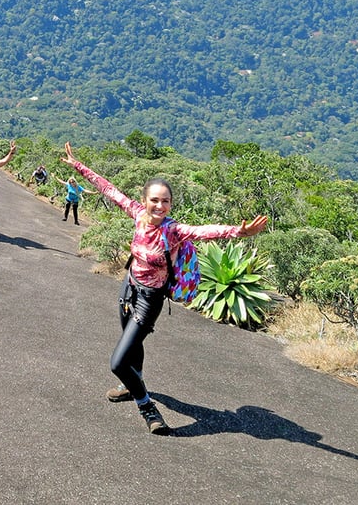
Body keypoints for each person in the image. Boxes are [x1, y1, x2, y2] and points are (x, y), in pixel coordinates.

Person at [60, 141, 268, 434]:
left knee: (118, 361)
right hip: (129, 287)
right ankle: (132, 383)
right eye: (154, 200)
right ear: (144, 201)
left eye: (165, 201)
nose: (160, 206)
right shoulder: (136, 213)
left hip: (150, 299)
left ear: (171, 204)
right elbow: (108, 189)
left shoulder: (173, 230)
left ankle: (147, 407)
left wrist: (240, 232)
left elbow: (204, 231)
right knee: (131, 343)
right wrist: (78, 165)